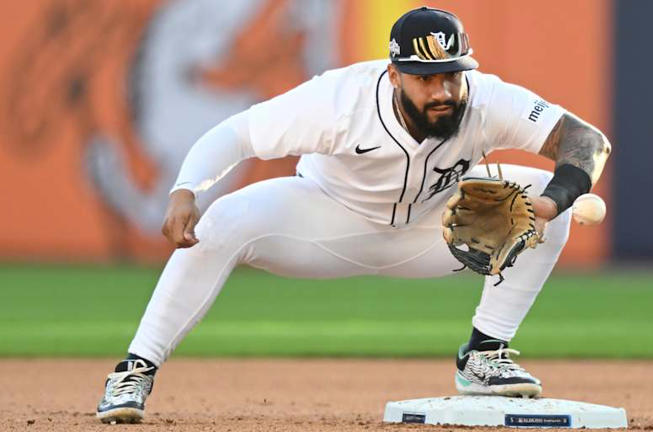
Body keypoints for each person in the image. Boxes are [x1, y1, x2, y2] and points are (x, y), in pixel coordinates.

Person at [96, 6, 611, 424]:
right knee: (223, 220)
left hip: (431, 231)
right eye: (425, 78)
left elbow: (586, 141)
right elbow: (238, 135)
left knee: (545, 197)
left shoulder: (486, 100)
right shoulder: (339, 100)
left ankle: (483, 354)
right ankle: (135, 370)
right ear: (394, 75)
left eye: (452, 76)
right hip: (324, 222)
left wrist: (549, 204)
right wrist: (186, 188)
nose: (442, 91)